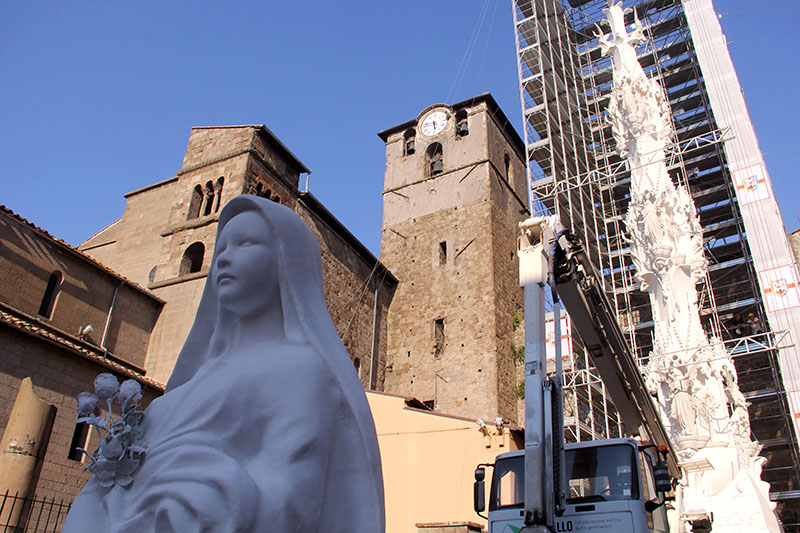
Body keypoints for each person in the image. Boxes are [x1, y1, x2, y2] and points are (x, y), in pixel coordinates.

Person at [64, 196, 385, 532]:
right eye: (222, 248)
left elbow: (288, 501)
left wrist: (192, 491)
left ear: (288, 262)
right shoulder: (188, 386)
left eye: (246, 243)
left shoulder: (300, 369)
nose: (225, 258)